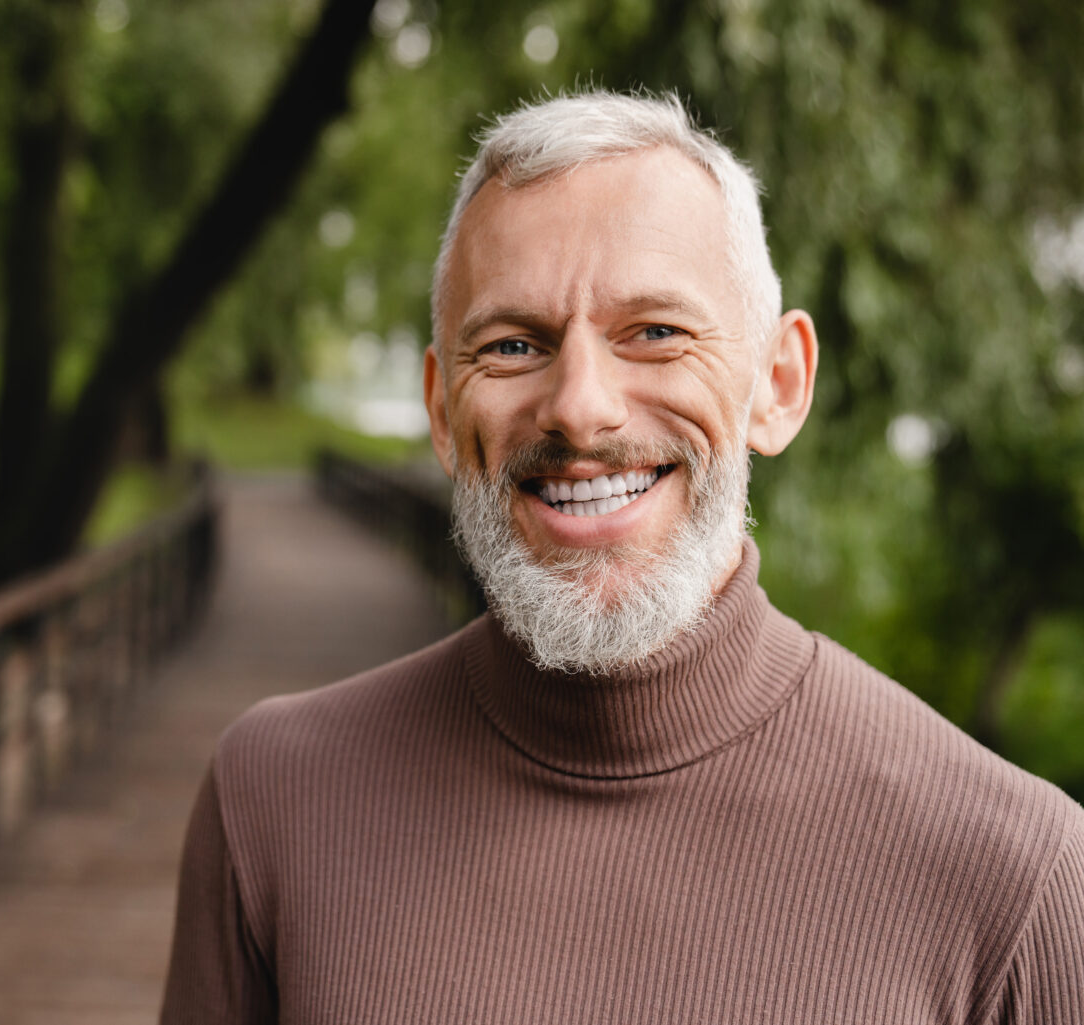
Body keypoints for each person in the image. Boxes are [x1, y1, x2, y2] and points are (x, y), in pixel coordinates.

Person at [158, 91, 1084, 1023]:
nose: (581, 407)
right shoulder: (272, 799)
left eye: (656, 332)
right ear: (443, 413)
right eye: (514, 345)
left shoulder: (1016, 875)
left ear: (779, 383)